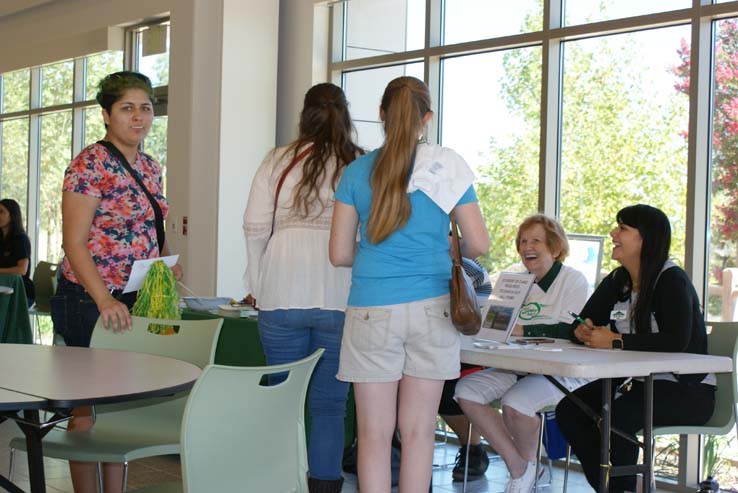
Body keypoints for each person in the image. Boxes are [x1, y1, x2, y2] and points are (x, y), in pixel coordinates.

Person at [329, 76, 490, 493]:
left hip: (371, 307)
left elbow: (339, 254)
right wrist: (446, 248)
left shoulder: (355, 172)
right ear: (427, 117)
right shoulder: (447, 165)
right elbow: (479, 243)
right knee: (419, 434)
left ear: (381, 114)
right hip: (432, 307)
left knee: (374, 436)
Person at [53, 70, 182, 493]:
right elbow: (74, 242)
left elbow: (146, 230)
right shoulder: (90, 163)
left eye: (145, 108)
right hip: (90, 300)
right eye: (127, 108)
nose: (139, 117)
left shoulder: (150, 165)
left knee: (121, 408)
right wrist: (104, 299)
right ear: (107, 114)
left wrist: (162, 265)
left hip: (134, 298)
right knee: (88, 409)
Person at [243, 82, 363, 493]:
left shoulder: (278, 160)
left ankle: (280, 482)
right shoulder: (361, 163)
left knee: (282, 400)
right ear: (345, 115)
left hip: (281, 291)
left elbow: (255, 228)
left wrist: (257, 284)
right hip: (341, 296)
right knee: (330, 406)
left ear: (304, 115)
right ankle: (325, 487)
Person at [555, 204, 716, 493]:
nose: (613, 233)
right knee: (570, 410)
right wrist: (581, 331)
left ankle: (622, 488)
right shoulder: (618, 280)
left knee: (616, 419)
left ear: (645, 239)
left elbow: (676, 340)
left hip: (687, 391)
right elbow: (583, 322)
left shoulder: (671, 279)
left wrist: (616, 341)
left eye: (623, 229)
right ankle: (617, 487)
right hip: (637, 383)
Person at [455, 214, 589, 493]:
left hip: (560, 373)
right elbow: (493, 325)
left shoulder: (573, 280)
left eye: (536, 241)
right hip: (518, 369)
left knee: (516, 402)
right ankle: (521, 467)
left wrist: (521, 330)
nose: (528, 247)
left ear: (554, 247)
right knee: (466, 390)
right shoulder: (515, 281)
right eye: (523, 241)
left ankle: (523, 476)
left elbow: (571, 330)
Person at [439, 257, 491, 481]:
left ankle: (473, 448)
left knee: (447, 388)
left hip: (471, 348)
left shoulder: (468, 268)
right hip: (438, 347)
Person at [0, 198, 34, 304]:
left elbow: (22, 270)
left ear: (12, 215)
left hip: (21, 293)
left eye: (1, 212)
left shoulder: (21, 239)